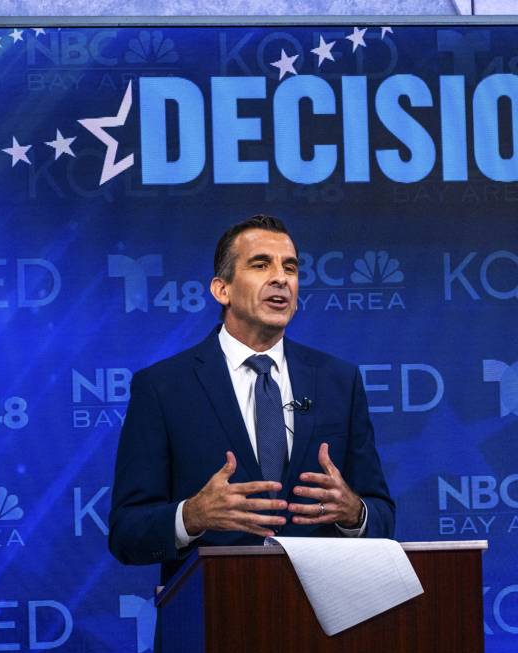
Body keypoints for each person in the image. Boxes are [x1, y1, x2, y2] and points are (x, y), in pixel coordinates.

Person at [108, 214, 395, 586]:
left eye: (290, 267)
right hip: (213, 618)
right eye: (261, 264)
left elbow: (383, 515)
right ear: (221, 289)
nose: (280, 278)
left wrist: (354, 512)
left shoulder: (340, 381)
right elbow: (126, 533)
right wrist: (191, 516)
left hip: (323, 620)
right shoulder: (163, 388)